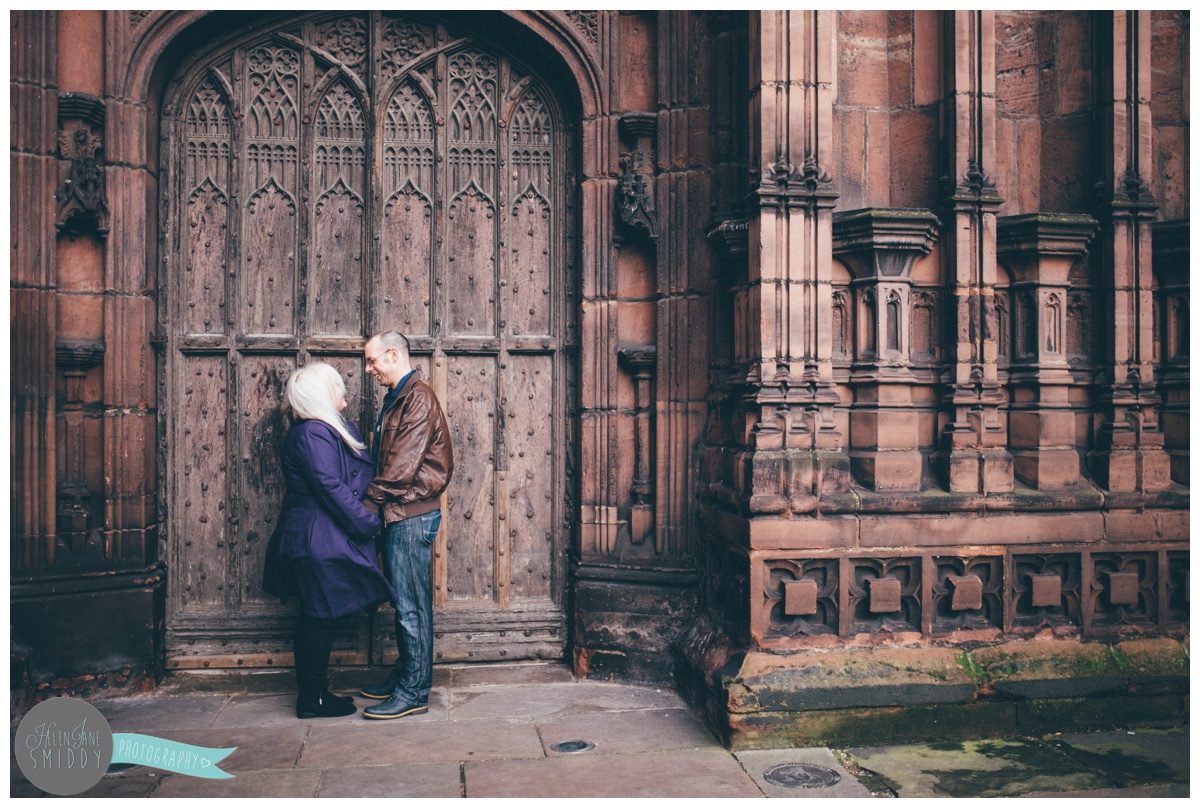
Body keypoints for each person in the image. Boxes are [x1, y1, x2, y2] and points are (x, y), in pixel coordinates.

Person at [262, 363, 396, 719]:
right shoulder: (312, 435)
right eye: (338, 386)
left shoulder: (324, 431)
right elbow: (330, 487)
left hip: (322, 534)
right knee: (317, 617)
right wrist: (369, 523)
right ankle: (312, 698)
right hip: (316, 537)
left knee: (319, 615)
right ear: (323, 394)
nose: (345, 393)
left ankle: (316, 694)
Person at [359, 330, 454, 720]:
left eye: (372, 360)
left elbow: (399, 470)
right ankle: (405, 677)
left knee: (411, 607)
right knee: (406, 604)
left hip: (410, 515)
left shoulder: (416, 398)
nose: (369, 369)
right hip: (400, 514)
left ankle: (414, 691)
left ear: (393, 354)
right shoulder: (399, 397)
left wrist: (366, 506)